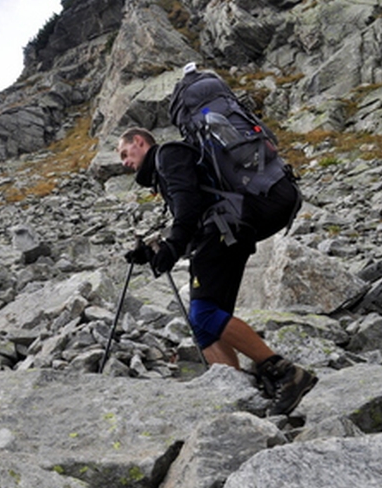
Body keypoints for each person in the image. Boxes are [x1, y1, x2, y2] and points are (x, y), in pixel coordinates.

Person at [117, 127, 317, 416]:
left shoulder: (168, 154)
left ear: (139, 141)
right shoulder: (165, 167)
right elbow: (193, 214)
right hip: (224, 234)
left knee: (204, 314)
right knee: (203, 326)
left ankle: (287, 374)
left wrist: (172, 246)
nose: (125, 162)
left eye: (126, 153)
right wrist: (156, 250)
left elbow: (188, 206)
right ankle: (239, 397)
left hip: (223, 233)